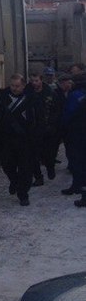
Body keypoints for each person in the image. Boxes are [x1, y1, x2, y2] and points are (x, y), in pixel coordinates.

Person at [0, 73, 39, 206]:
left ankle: (23, 194)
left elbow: (37, 118)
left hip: (25, 139)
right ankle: (14, 181)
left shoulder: (31, 99)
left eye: (17, 86)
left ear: (23, 86)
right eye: (12, 85)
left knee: (25, 169)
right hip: (7, 139)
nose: (14, 88)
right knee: (7, 165)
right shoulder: (2, 98)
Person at [28, 71, 58, 183]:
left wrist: (52, 124)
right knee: (33, 156)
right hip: (32, 128)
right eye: (32, 81)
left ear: (41, 80)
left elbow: (55, 110)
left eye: (36, 80)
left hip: (46, 128)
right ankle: (38, 177)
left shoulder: (50, 93)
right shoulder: (28, 93)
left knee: (47, 153)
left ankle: (50, 168)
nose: (34, 83)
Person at [61, 71, 86, 203]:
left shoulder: (75, 95)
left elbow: (68, 114)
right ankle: (77, 187)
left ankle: (81, 192)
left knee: (79, 163)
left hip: (77, 134)